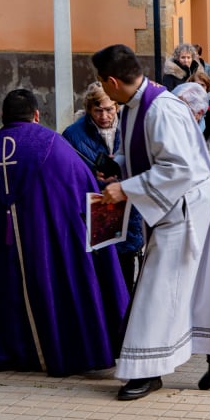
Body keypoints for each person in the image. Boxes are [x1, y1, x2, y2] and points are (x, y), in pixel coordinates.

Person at [92, 44, 210, 400]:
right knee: (200, 284)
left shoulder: (160, 109)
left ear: (112, 81)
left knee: (158, 290)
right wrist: (118, 166)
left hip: (183, 209)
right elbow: (150, 155)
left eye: (102, 82)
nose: (104, 89)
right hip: (180, 205)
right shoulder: (138, 104)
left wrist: (126, 189)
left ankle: (147, 370)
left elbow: (179, 168)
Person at [0, 89, 129, 377]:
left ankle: (16, 353)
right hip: (48, 243)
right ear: (36, 115)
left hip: (2, 249)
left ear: (2, 116)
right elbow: (86, 188)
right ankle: (59, 351)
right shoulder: (53, 145)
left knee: (10, 290)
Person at [62, 82, 145, 290]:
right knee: (99, 281)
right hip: (95, 213)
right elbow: (67, 175)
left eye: (109, 110)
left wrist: (122, 171)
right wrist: (93, 176)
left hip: (128, 211)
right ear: (89, 109)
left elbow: (145, 165)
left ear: (117, 106)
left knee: (126, 279)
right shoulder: (73, 134)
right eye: (98, 111)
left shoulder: (132, 127)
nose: (104, 116)